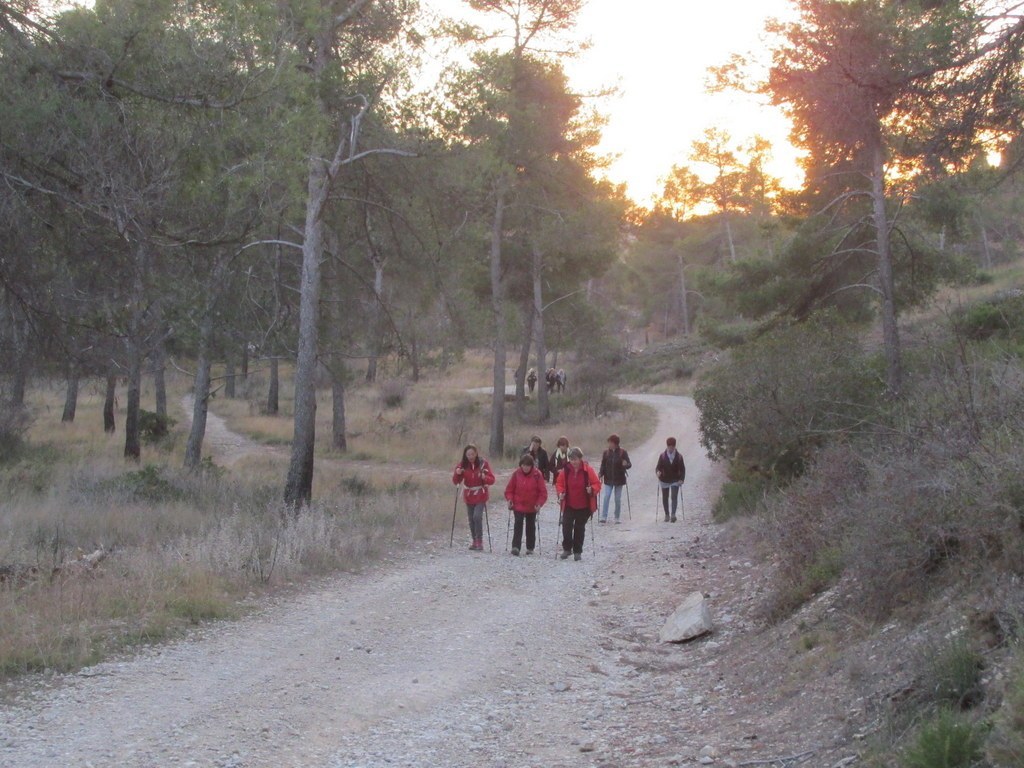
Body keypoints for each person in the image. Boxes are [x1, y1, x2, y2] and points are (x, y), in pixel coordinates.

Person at [555, 447, 601, 561]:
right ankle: (567, 549)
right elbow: (559, 483)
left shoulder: (588, 470)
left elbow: (597, 483)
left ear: (581, 459)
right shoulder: (565, 471)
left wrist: (592, 489)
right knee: (566, 527)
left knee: (579, 528)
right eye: (571, 459)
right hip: (569, 504)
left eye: (576, 459)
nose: (574, 462)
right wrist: (560, 492)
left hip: (584, 506)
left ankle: (577, 551)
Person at [453, 444, 496, 550]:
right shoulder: (462, 465)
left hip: (480, 494)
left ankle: (479, 541)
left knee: (477, 516)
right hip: (469, 495)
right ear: (465, 455)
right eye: (468, 454)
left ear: (476, 453)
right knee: (471, 519)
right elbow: (456, 481)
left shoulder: (483, 464)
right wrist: (457, 473)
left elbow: (492, 479)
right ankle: (474, 541)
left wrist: (484, 477)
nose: (470, 456)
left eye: (472, 454)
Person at [504, 454, 548, 556]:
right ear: (521, 465)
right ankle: (516, 547)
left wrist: (539, 504)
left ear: (531, 466)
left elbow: (543, 493)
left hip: (532, 506)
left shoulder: (537, 475)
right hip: (518, 504)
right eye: (523, 465)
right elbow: (509, 489)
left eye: (528, 465)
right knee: (518, 524)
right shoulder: (516, 474)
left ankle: (530, 547)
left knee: (530, 525)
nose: (525, 467)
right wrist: (509, 499)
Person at [598, 434, 632, 523]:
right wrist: (600, 473)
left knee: (617, 499)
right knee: (607, 496)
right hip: (608, 479)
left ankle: (617, 517)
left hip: (619, 479)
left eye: (611, 442)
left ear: (615, 443)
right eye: (609, 442)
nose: (609, 444)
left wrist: (626, 464)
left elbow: (629, 464)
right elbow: (603, 465)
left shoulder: (622, 452)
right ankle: (603, 517)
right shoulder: (606, 453)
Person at [655, 437, 686, 523]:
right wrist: (658, 472)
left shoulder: (679, 457)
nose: (671, 449)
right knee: (665, 497)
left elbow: (683, 469)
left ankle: (673, 515)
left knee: (674, 496)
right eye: (669, 447)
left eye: (672, 447)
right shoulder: (662, 456)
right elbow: (658, 467)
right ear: (667, 446)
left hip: (675, 479)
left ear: (675, 446)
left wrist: (681, 479)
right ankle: (667, 515)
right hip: (664, 479)